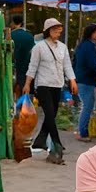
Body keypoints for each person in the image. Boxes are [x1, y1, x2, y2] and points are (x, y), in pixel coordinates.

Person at [24, 18, 78, 163]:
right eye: (54, 30)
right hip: (43, 85)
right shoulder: (39, 47)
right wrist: (27, 84)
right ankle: (57, 143)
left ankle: (40, 140)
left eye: (59, 30)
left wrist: (72, 80)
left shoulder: (62, 47)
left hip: (57, 85)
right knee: (49, 113)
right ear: (48, 31)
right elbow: (33, 67)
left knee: (51, 115)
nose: (57, 33)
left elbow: (67, 65)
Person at [73, 23, 96, 143]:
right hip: (86, 80)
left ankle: (83, 130)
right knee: (87, 107)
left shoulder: (84, 45)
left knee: (87, 106)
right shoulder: (88, 46)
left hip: (83, 79)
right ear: (91, 33)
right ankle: (83, 132)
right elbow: (92, 65)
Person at [10, 15, 35, 96]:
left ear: (14, 23)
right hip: (27, 66)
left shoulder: (11, 35)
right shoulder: (29, 35)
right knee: (24, 88)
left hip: (14, 66)